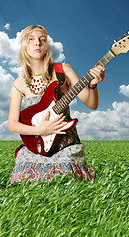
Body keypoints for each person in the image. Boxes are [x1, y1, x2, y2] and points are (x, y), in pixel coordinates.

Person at [8, 25, 105, 184]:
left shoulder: (63, 70)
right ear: (24, 46)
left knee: (66, 176)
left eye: (42, 40)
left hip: (65, 144)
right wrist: (39, 129)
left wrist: (93, 85)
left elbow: (91, 104)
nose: (37, 43)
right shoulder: (19, 84)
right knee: (23, 176)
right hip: (38, 145)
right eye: (31, 39)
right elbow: (12, 124)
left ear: (47, 46)